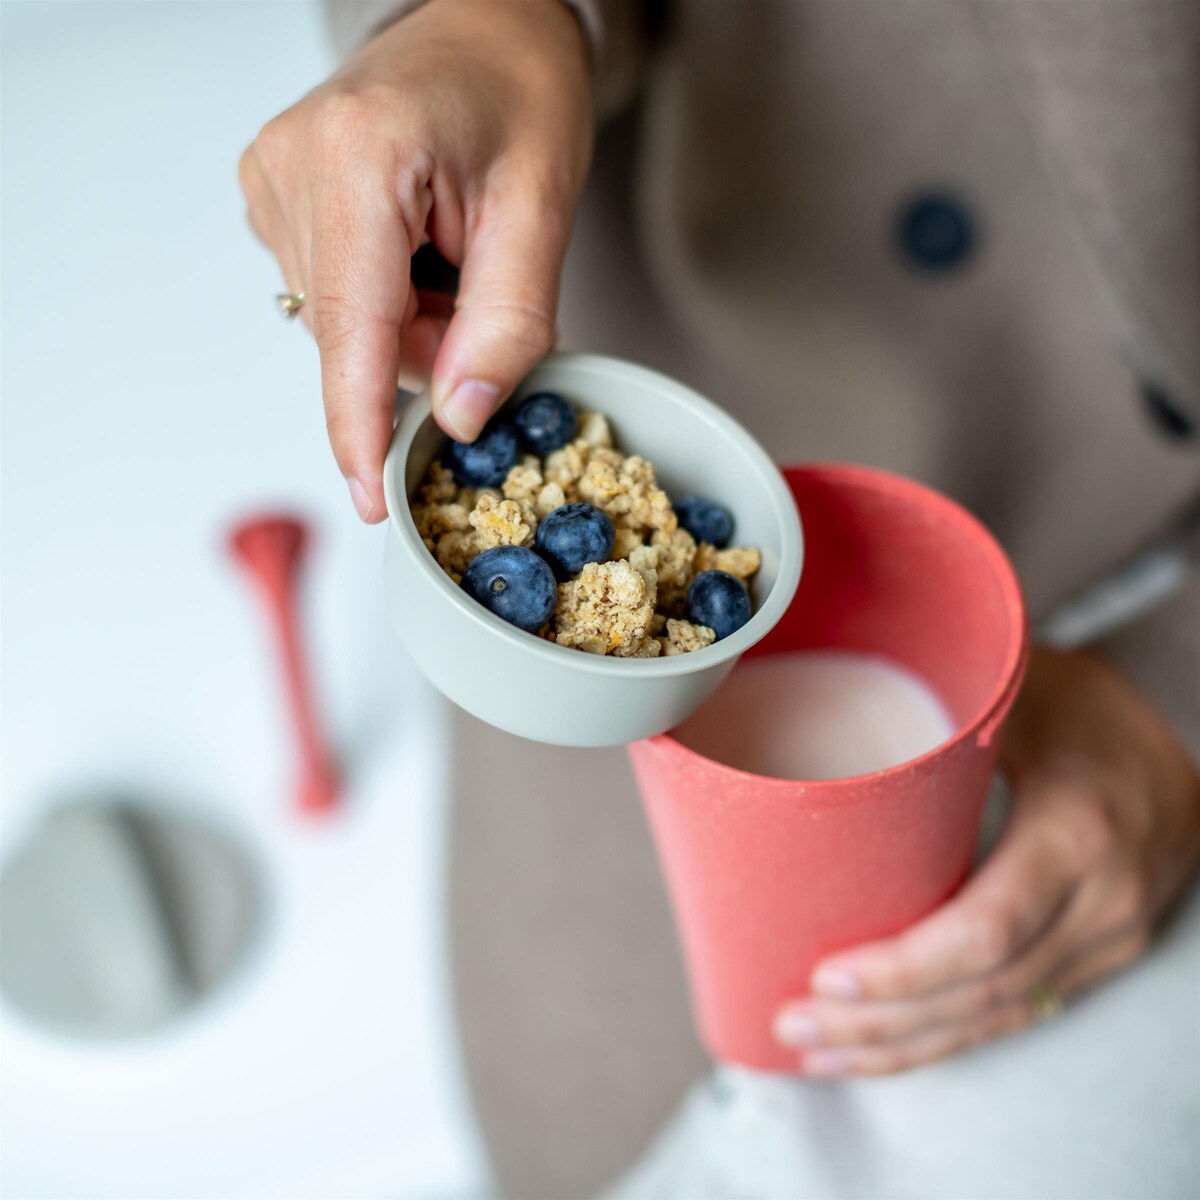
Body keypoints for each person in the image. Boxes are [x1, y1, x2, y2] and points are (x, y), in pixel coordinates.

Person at [240, 2, 1200, 1196]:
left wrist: (1175, 698)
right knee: (574, 1138)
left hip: (1150, 523)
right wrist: (486, 19)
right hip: (687, 326)